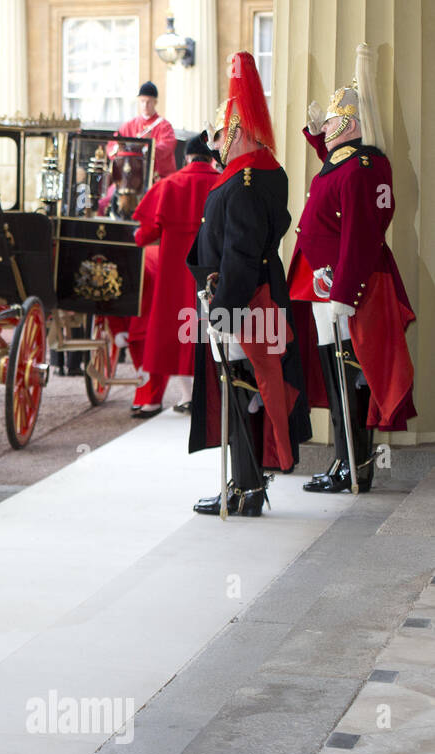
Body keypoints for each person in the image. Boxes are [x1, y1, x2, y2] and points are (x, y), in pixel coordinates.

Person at [187, 53, 311, 517]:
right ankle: (247, 486)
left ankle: (246, 489)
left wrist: (221, 307)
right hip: (260, 295)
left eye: (219, 135)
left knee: (240, 391)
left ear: (235, 132)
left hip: (244, 301)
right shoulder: (267, 174)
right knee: (248, 392)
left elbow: (239, 255)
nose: (215, 145)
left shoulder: (240, 182)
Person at [288, 43, 416, 493]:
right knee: (333, 369)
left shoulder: (359, 167)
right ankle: (345, 459)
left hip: (345, 284)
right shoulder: (354, 161)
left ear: (351, 124)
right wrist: (312, 132)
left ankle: (355, 463)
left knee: (350, 374)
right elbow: (332, 166)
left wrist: (342, 291)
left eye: (331, 122)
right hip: (326, 282)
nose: (325, 127)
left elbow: (359, 233)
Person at [127, 131, 220, 417]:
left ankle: (173, 397)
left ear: (187, 157)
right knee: (207, 331)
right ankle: (205, 397)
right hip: (209, 270)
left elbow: (145, 234)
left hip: (173, 272)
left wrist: (138, 235)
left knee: (170, 333)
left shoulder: (170, 184)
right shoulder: (221, 183)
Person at [120, 82, 177, 182]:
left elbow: (167, 146)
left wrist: (147, 150)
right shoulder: (129, 125)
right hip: (131, 176)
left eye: (148, 102)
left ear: (155, 102)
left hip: (159, 177)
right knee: (108, 197)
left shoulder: (165, 126)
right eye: (142, 101)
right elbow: (114, 144)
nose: (145, 105)